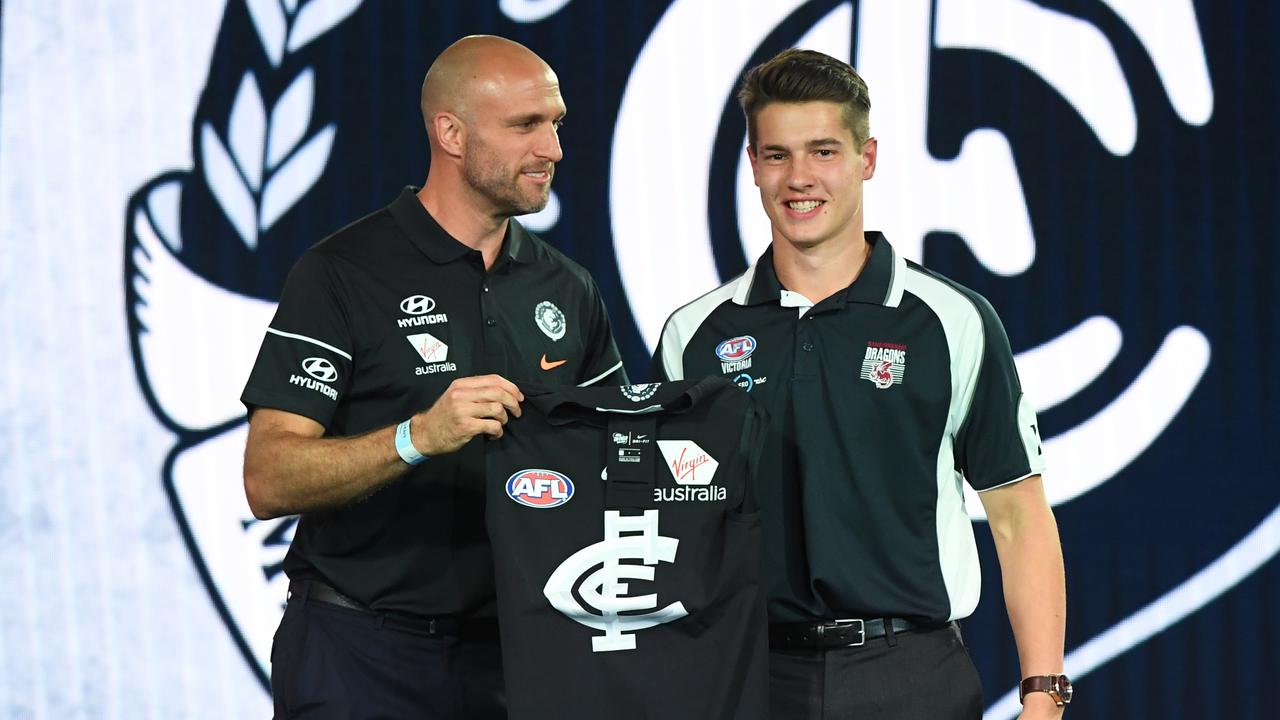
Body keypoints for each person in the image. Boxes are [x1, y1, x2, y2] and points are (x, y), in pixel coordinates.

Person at [653, 49, 1068, 719]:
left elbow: (1019, 516)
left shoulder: (952, 321)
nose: (799, 178)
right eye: (778, 155)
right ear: (754, 166)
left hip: (910, 675)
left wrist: (1043, 694)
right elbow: (669, 526)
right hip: (748, 674)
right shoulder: (693, 334)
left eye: (823, 152)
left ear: (866, 159)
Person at [241, 35, 627, 719]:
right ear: (450, 132)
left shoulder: (567, 287)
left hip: (516, 655)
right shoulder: (341, 273)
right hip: (359, 651)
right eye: (525, 126)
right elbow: (268, 478)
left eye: (556, 124)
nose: (554, 150)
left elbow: (615, 463)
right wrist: (416, 437)